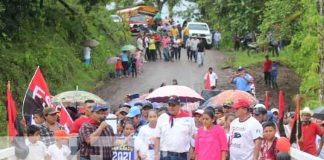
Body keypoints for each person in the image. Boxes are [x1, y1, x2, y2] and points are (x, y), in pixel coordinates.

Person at [154, 95, 196, 160]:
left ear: (179, 105)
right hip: (165, 155)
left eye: (173, 105)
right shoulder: (162, 117)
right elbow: (157, 137)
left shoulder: (188, 119)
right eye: (169, 105)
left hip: (181, 155)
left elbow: (193, 136)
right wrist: (156, 154)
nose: (171, 107)